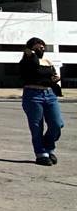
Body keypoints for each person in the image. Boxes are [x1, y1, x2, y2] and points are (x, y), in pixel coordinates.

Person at [20, 37, 64, 166]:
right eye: (38, 46)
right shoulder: (27, 61)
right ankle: (41, 154)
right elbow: (32, 68)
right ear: (31, 49)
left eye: (43, 46)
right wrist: (30, 54)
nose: (41, 48)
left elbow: (52, 75)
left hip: (50, 94)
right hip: (33, 95)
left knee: (57, 124)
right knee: (37, 126)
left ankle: (48, 145)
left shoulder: (47, 61)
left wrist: (55, 78)